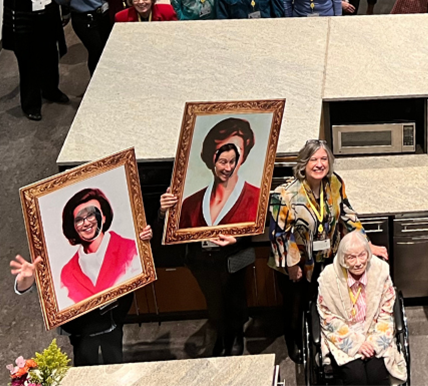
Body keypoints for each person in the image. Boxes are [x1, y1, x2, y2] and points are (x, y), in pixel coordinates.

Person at [268, 140, 387, 362]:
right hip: (297, 263)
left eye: (324, 159)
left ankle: (319, 340)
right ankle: (293, 341)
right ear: (303, 164)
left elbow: (347, 215)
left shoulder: (334, 183)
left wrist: (366, 244)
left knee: (323, 301)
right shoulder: (284, 195)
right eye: (314, 159)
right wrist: (292, 266)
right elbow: (279, 235)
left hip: (327, 257)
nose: (319, 164)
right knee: (295, 305)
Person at [11, 231, 152, 366]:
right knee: (85, 367)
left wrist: (141, 239)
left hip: (113, 315)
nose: (85, 224)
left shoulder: (112, 243)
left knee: (115, 364)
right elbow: (24, 286)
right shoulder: (54, 250)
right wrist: (26, 278)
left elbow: (133, 257)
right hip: (80, 324)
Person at [157, 192, 249, 357]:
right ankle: (220, 335)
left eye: (229, 163)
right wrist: (164, 212)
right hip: (200, 257)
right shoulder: (187, 182)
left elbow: (253, 217)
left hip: (233, 254)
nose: (226, 166)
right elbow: (166, 228)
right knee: (214, 300)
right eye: (221, 162)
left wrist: (238, 239)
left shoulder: (238, 183)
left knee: (236, 298)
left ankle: (236, 335)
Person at [316, 231, 407, 385]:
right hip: (345, 333)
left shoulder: (380, 271)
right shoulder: (328, 278)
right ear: (343, 259)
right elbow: (328, 318)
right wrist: (357, 344)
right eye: (351, 257)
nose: (358, 262)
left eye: (362, 255)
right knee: (356, 377)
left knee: (377, 375)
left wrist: (372, 343)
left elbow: (387, 310)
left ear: (368, 254)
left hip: (374, 330)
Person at [58, 188, 144, 307]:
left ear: (103, 217)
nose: (87, 223)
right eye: (79, 219)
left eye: (92, 215)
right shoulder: (67, 273)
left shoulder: (130, 250)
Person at [178, 118, 262, 228]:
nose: (228, 167)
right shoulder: (190, 204)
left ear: (244, 156)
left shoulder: (258, 198)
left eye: (236, 152)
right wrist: (163, 212)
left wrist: (237, 241)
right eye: (222, 151)